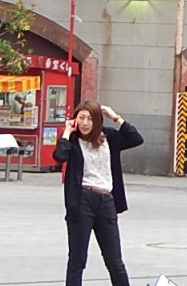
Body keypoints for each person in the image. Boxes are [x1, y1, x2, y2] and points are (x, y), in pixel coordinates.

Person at [53, 100, 144, 286]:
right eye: (81, 118)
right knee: (77, 261)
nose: (85, 123)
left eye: (90, 118)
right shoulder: (71, 140)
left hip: (106, 201)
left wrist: (115, 117)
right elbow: (59, 156)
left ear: (98, 121)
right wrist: (67, 131)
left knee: (115, 261)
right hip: (82, 200)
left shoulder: (109, 137)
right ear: (75, 119)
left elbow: (136, 138)